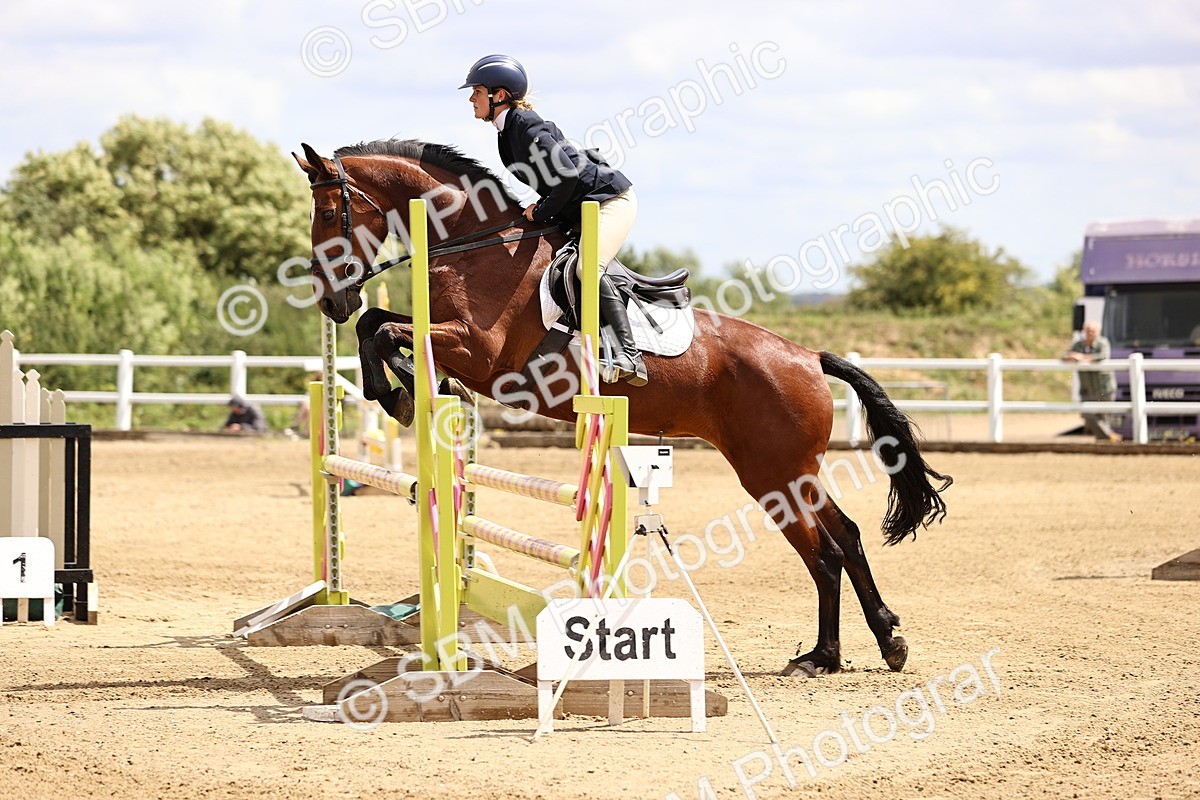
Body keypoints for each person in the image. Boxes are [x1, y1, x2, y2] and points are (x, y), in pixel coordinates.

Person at [460, 54, 647, 386]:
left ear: (498, 95)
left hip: (608, 201)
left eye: (476, 91)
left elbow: (568, 174)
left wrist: (542, 209)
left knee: (587, 269)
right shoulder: (508, 131)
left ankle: (629, 355)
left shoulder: (525, 125)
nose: (471, 98)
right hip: (577, 207)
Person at [1063, 321, 1121, 442]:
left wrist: (1082, 358)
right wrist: (1071, 357)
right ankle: (1109, 436)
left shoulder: (1102, 343)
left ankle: (1104, 442)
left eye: (1093, 331)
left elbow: (1103, 356)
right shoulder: (1078, 345)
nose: (1090, 333)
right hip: (1087, 388)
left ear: (1098, 332)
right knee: (1087, 414)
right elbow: (1064, 355)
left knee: (1103, 417)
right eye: (1088, 331)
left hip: (1104, 387)